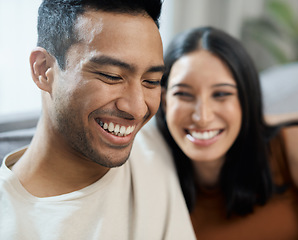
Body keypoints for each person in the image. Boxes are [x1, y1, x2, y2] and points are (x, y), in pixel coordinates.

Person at [0, 1, 196, 239]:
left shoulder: (155, 142)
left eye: (151, 81)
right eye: (111, 76)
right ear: (43, 70)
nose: (137, 108)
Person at [155, 26, 298, 239]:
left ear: (246, 100)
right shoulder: (150, 167)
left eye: (221, 94)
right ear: (164, 100)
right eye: (184, 95)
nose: (202, 116)